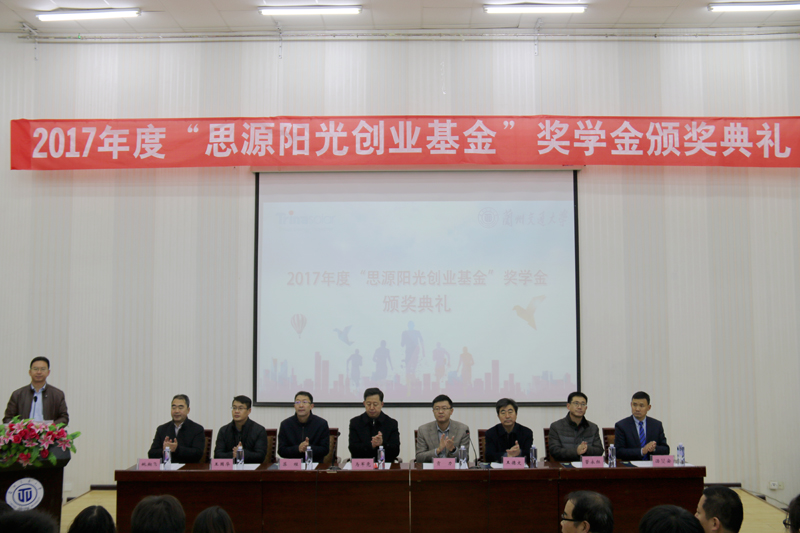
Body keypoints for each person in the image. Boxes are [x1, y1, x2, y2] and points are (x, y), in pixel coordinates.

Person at [3, 357, 69, 425]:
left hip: (48, 431)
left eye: (43, 369)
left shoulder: (57, 394)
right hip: (24, 431)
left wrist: (51, 427)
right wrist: (20, 428)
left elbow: (64, 418)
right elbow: (8, 418)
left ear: (48, 372)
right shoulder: (18, 394)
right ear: (30, 372)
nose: (39, 372)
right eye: (35, 369)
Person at [147, 394, 206, 463]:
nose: (176, 411)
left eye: (180, 408)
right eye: (174, 407)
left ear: (188, 410)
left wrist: (177, 449)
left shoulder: (197, 429)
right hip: (167, 468)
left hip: (188, 468)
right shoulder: (162, 429)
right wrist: (164, 451)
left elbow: (198, 454)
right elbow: (151, 454)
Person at [348, 387, 400, 463]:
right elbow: (353, 449)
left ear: (382, 404)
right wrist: (371, 445)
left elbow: (396, 451)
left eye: (375, 404)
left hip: (385, 466)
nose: (372, 408)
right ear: (364, 404)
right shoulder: (355, 423)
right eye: (368, 404)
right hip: (362, 466)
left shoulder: (391, 423)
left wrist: (382, 444)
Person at [614, 391, 669, 460]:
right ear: (631, 405)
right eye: (634, 405)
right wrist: (642, 451)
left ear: (649, 407)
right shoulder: (622, 426)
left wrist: (654, 449)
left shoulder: (656, 425)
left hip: (651, 465)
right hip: (631, 465)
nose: (637, 409)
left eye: (641, 406)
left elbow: (666, 449)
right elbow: (618, 452)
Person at [549, 391, 603, 462]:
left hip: (586, 466)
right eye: (576, 403)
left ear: (586, 408)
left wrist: (586, 449)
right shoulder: (556, 426)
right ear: (568, 406)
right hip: (564, 466)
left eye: (583, 404)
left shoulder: (593, 427)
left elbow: (599, 450)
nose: (580, 407)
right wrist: (576, 451)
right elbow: (554, 451)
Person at [415, 394, 470, 463]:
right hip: (432, 469)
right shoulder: (423, 430)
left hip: (454, 469)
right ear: (433, 411)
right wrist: (438, 450)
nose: (440, 412)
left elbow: (465, 457)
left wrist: (453, 449)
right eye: (437, 408)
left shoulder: (463, 429)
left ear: (451, 411)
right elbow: (419, 458)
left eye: (444, 408)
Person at [278, 391, 330, 462]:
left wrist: (308, 448)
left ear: (311, 406)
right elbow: (281, 450)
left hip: (315, 464)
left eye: (304, 402)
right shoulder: (285, 424)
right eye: (297, 402)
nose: (301, 405)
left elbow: (325, 450)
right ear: (294, 406)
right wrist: (298, 449)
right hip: (293, 465)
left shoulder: (321, 424)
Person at [213, 395, 268, 463]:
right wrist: (233, 454)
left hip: (251, 468)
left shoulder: (259, 430)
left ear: (249, 411)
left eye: (240, 408)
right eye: (234, 408)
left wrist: (242, 453)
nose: (236, 411)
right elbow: (217, 455)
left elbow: (260, 456)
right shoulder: (224, 430)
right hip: (230, 468)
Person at [484, 397, 534, 464]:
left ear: (516, 414)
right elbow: (488, 456)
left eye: (510, 412)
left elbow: (530, 455)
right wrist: (507, 455)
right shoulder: (491, 433)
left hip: (521, 469)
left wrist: (519, 452)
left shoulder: (526, 432)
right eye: (503, 412)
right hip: (498, 469)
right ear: (498, 416)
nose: (507, 416)